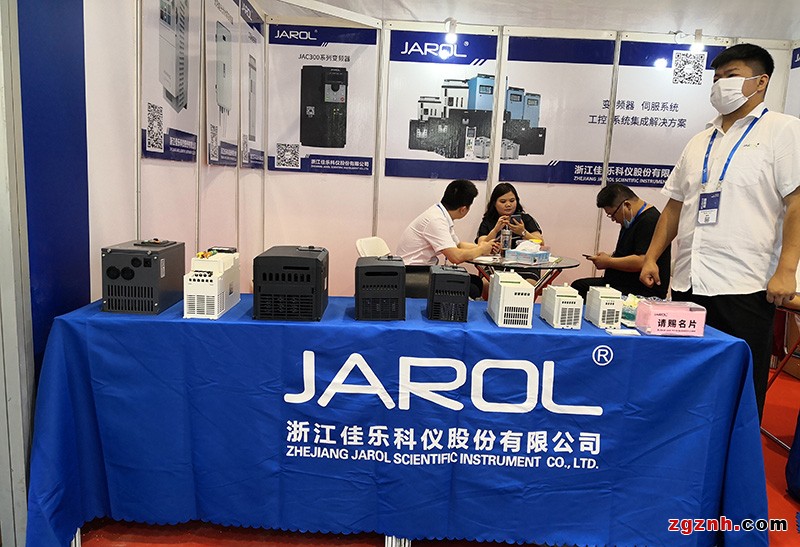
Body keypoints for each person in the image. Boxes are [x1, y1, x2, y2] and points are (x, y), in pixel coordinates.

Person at [639, 43, 800, 421]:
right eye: (716, 78)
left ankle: (734, 455)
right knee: (687, 382)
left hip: (744, 284)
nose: (720, 85)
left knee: (738, 389)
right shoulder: (699, 141)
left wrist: (787, 269)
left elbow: (796, 202)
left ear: (760, 82)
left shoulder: (783, 130)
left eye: (731, 76)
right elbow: (674, 206)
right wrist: (651, 256)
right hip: (688, 281)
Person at [396, 179, 495, 297]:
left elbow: (458, 245)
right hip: (413, 274)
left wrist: (486, 247)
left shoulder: (440, 213)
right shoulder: (436, 220)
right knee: (472, 287)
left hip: (423, 271)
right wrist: (482, 249)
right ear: (463, 209)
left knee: (476, 282)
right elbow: (456, 257)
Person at [571, 184, 670, 299]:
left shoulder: (650, 221)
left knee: (580, 289)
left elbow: (642, 261)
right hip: (621, 283)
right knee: (579, 286)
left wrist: (608, 262)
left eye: (612, 215)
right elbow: (628, 252)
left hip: (640, 289)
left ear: (626, 205)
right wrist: (608, 257)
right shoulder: (630, 220)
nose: (614, 220)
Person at [476, 183, 544, 248]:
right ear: (494, 203)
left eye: (512, 201)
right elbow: (481, 246)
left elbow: (541, 243)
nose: (508, 205)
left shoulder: (525, 219)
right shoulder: (488, 221)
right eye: (503, 201)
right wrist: (495, 230)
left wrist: (523, 232)